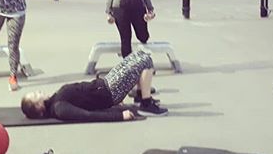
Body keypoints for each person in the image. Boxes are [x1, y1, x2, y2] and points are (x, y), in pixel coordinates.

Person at [21, 50, 168, 121]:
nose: (38, 91)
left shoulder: (55, 100)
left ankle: (140, 95)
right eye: (35, 96)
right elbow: (87, 115)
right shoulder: (59, 108)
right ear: (39, 108)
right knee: (146, 61)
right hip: (111, 91)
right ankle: (146, 104)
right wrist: (119, 115)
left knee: (139, 55)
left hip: (107, 83)